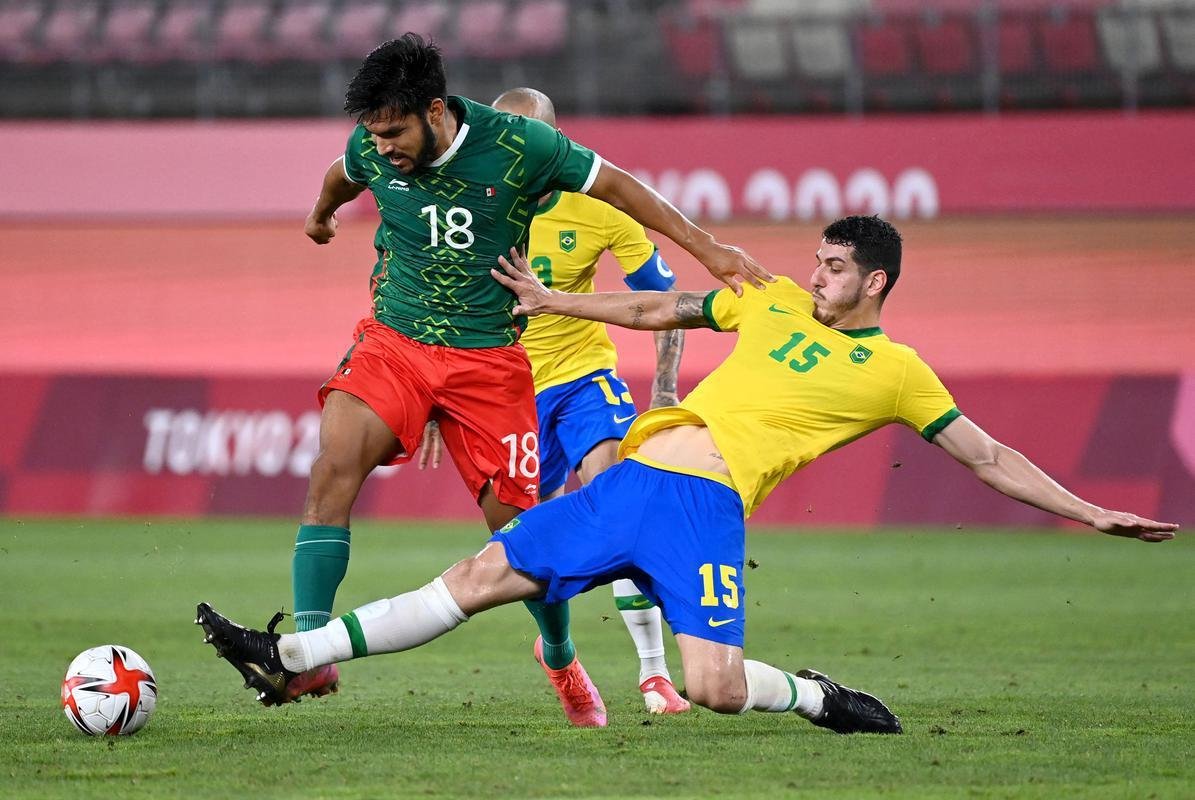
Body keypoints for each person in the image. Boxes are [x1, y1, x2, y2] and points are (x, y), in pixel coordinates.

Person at [196, 215, 1177, 733]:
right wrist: (551, 296)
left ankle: (814, 697)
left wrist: (1087, 510)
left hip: (706, 511)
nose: (816, 272)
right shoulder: (774, 301)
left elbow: (988, 454)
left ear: (875, 281)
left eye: (834, 265)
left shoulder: (897, 370)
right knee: (474, 579)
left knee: (710, 686)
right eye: (818, 260)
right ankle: (281, 656)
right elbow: (660, 314)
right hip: (628, 480)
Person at [279, 34, 770, 727]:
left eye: (394, 132)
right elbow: (342, 172)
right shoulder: (371, 147)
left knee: (524, 533)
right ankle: (306, 648)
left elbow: (626, 190)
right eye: (373, 133)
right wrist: (321, 214)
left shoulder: (520, 147)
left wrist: (711, 249)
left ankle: (561, 654)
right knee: (333, 464)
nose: (382, 146)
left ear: (436, 111)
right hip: (395, 339)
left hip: (490, 361)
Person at [417, 87, 689, 715]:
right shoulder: (460, 205)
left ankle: (654, 674)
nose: (508, 152)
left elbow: (666, 303)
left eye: (524, 140)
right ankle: (561, 656)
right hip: (503, 393)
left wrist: (667, 384)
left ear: (551, 143)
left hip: (585, 378)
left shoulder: (600, 208)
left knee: (620, 497)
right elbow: (433, 304)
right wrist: (433, 394)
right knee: (529, 541)